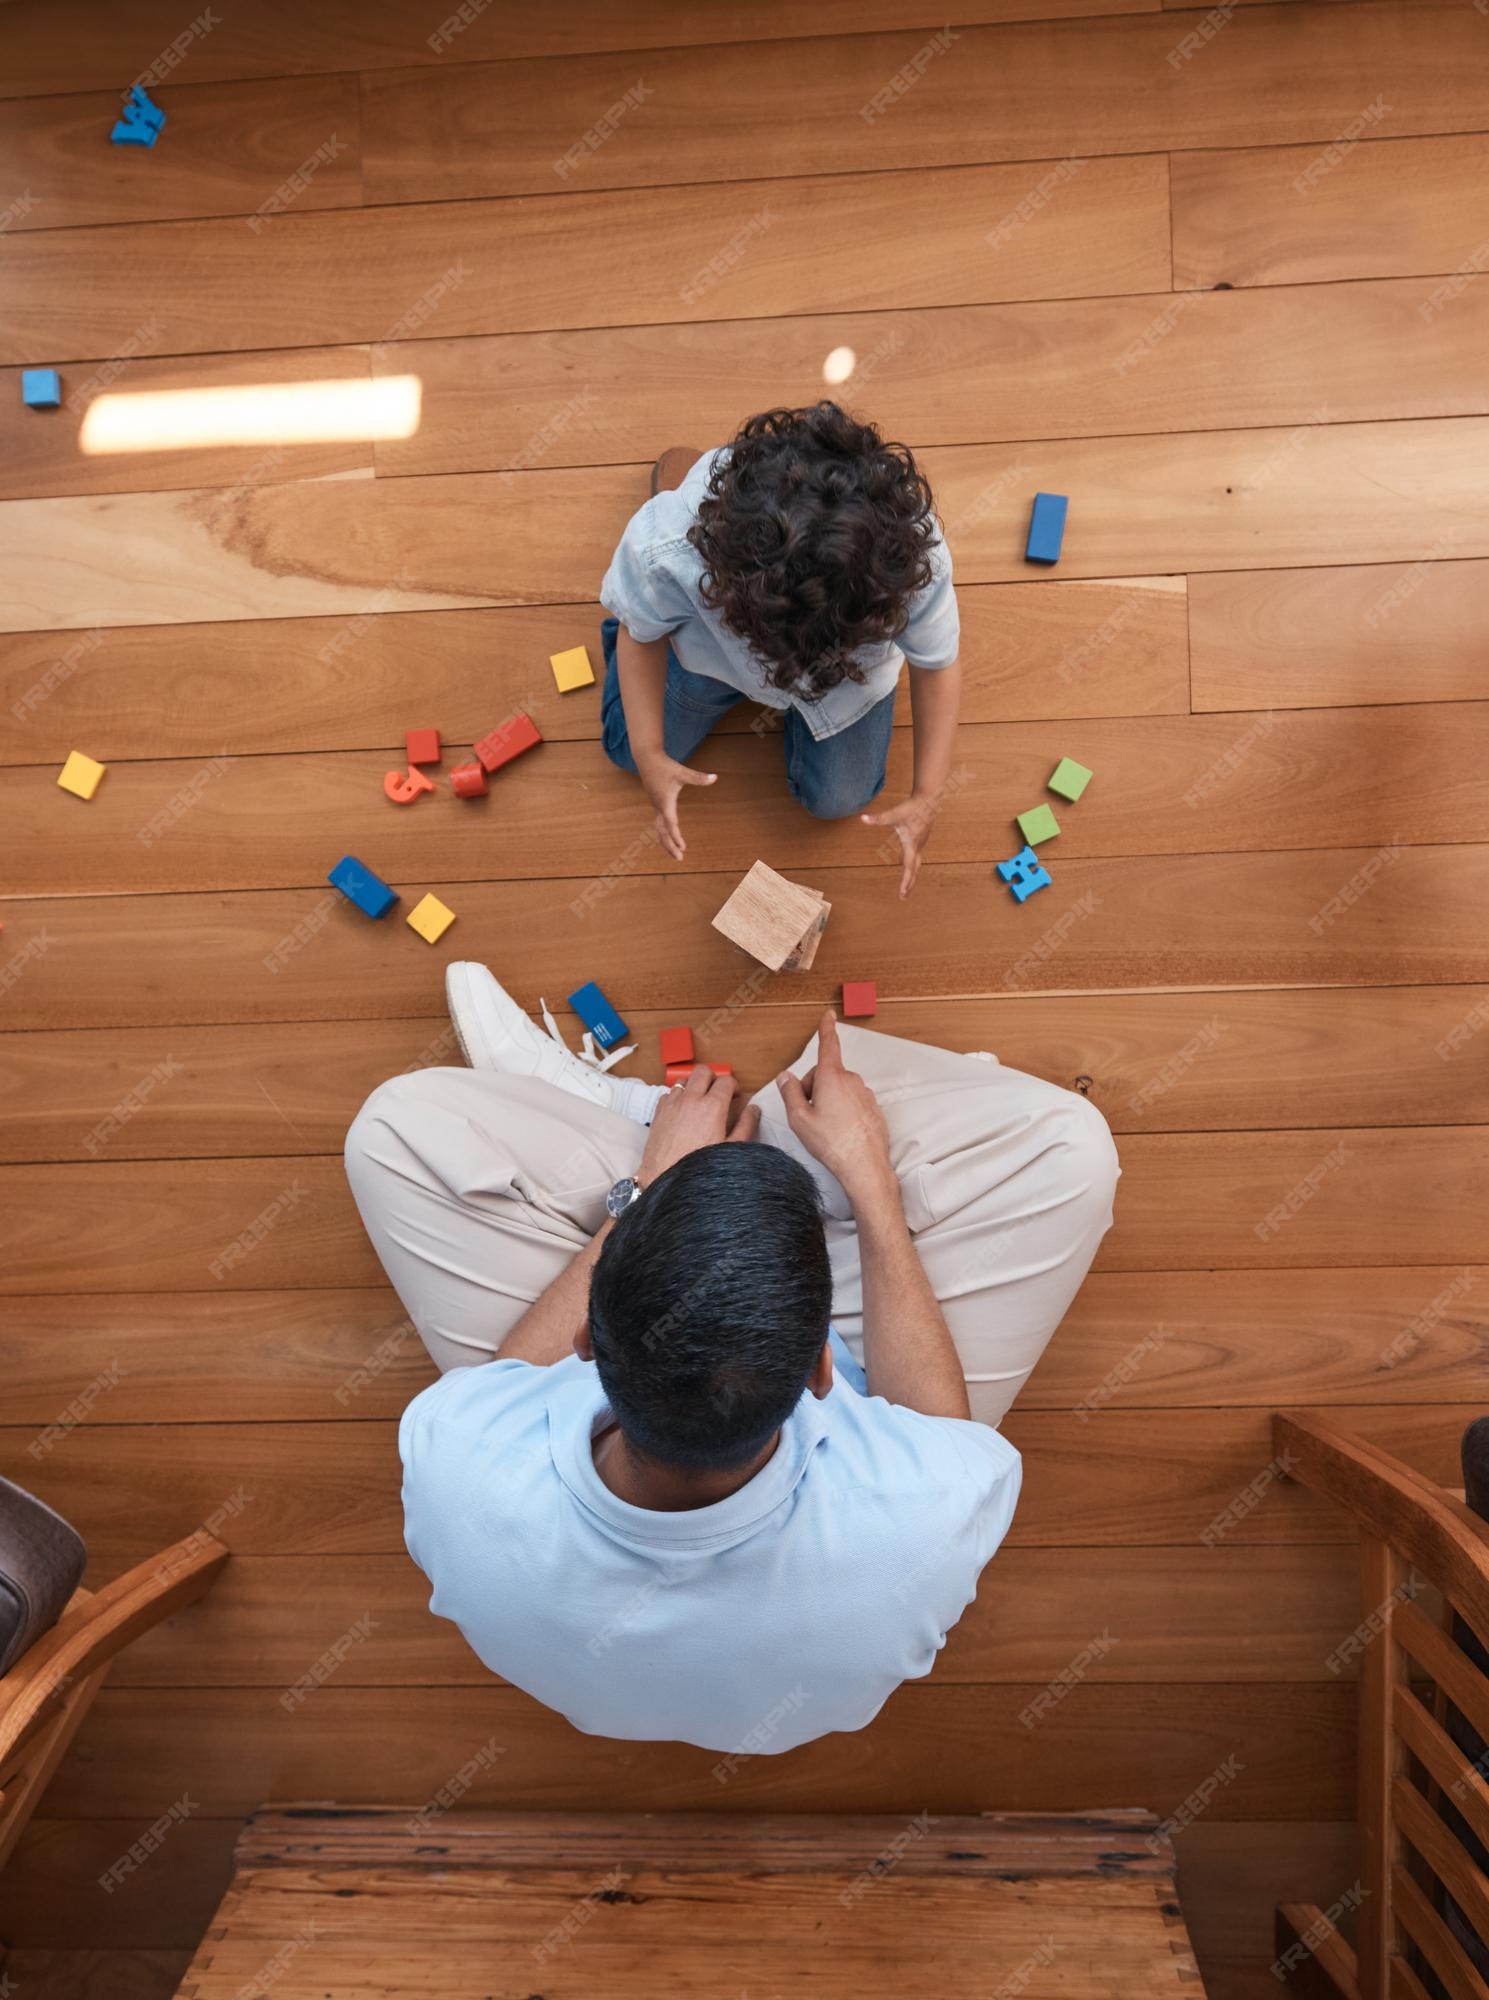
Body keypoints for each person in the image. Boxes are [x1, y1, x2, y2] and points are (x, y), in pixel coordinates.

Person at [344, 964, 1120, 1756]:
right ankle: (814, 1149)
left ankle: (653, 1128)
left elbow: (500, 1384)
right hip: (855, 1362)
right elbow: (936, 1435)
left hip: (662, 1296)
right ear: (823, 1371)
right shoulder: (920, 1502)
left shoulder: (459, 1461)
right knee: (1073, 1148)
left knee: (390, 1129)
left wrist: (653, 1185)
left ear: (582, 1342)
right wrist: (871, 1181)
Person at [599, 402, 961, 898]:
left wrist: (927, 793)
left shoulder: (918, 560)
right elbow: (640, 635)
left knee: (837, 801)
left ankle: (684, 492)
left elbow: (936, 666)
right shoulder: (669, 548)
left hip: (847, 685)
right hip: (712, 659)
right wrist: (649, 752)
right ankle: (680, 490)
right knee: (626, 750)